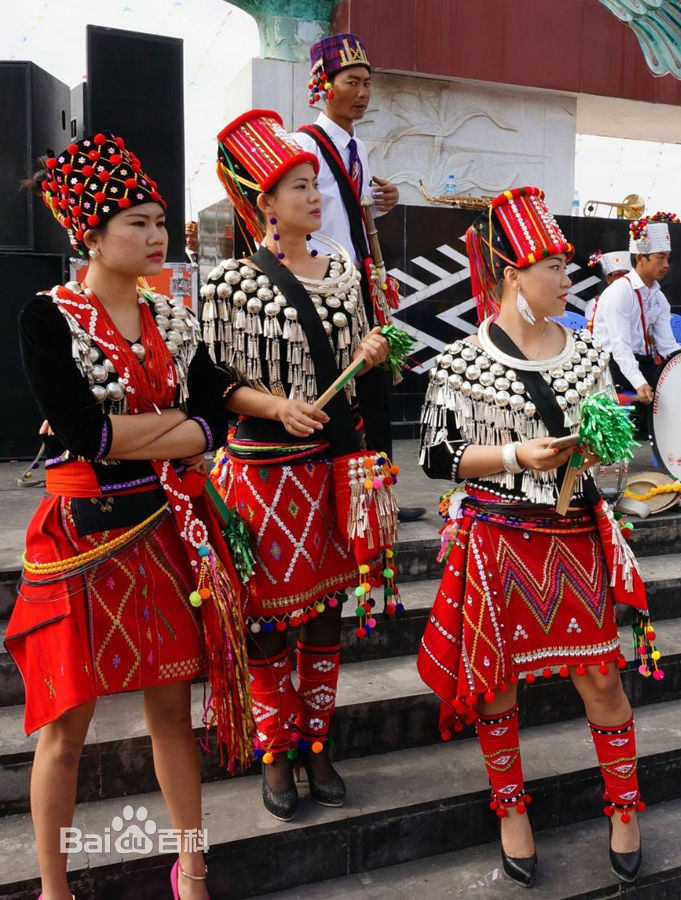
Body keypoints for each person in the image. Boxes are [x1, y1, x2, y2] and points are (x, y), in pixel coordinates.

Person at [6, 132, 253, 900]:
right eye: (138, 222)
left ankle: (194, 864)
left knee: (172, 718)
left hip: (164, 537)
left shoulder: (173, 320)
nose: (157, 237)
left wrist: (183, 430)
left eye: (159, 221)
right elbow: (86, 433)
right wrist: (184, 431)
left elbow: (216, 407)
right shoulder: (47, 318)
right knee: (63, 731)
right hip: (82, 539)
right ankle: (53, 886)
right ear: (90, 232)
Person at [417, 186, 658, 887]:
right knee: (495, 685)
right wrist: (517, 457)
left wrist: (597, 450)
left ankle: (623, 804)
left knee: (602, 677)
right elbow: (437, 457)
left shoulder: (585, 355)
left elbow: (615, 443)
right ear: (511, 274)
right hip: (498, 537)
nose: (566, 277)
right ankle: (511, 808)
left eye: (565, 264)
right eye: (551, 265)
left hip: (573, 534)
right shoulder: (462, 361)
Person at [205, 109, 394, 821]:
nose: (316, 198)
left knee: (323, 615)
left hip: (324, 473)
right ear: (264, 204)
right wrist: (276, 407)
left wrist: (368, 357)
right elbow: (214, 382)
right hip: (258, 475)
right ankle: (275, 750)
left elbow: (353, 377)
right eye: (300, 187)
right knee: (266, 622)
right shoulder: (230, 283)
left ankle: (317, 741)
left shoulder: (344, 273)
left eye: (317, 185)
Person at [293, 32, 424, 521]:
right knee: (339, 389)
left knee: (375, 390)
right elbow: (303, 216)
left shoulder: (359, 149)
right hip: (323, 285)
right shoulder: (302, 143)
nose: (364, 92)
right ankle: (339, 495)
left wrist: (380, 205)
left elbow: (351, 213)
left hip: (362, 285)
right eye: (352, 81)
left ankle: (382, 491)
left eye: (368, 83)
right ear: (324, 85)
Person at [589, 213, 681, 414]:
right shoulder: (619, 292)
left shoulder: (658, 297)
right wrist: (640, 383)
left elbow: (667, 344)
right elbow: (620, 347)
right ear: (641, 258)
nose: (666, 264)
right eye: (660, 257)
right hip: (612, 368)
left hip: (642, 363)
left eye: (667, 257)